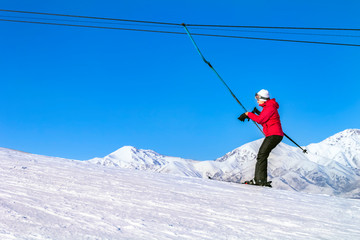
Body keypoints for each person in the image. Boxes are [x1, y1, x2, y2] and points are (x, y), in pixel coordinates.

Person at [238, 89, 284, 187]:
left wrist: (248, 114)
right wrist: (256, 113)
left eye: (258, 98)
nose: (257, 100)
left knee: (262, 155)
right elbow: (265, 118)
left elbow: (260, 120)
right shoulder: (268, 107)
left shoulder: (270, 106)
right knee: (262, 155)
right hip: (274, 135)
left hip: (273, 135)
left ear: (263, 98)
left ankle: (259, 180)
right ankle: (260, 179)